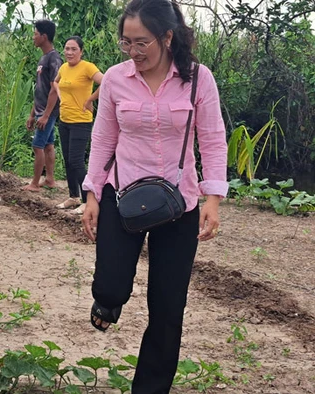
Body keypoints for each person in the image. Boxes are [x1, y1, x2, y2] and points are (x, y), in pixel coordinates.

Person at [80, 0, 227, 392]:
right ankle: (108, 301)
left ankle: (150, 387)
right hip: (122, 193)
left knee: (167, 306)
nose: (134, 51)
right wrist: (92, 192)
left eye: (142, 42)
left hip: (179, 202)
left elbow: (212, 139)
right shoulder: (114, 79)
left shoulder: (198, 79)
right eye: (126, 42)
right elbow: (104, 138)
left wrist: (212, 198)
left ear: (167, 36)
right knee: (110, 286)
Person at [52, 36, 104, 214]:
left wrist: (90, 99)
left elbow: (106, 82)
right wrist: (61, 98)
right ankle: (73, 196)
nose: (69, 52)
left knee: (76, 160)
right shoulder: (64, 67)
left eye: (74, 49)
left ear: (81, 51)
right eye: (67, 48)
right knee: (67, 159)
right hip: (64, 120)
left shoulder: (87, 67)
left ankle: (86, 200)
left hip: (81, 121)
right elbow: (55, 81)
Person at [22, 19, 63, 192]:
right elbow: (40, 90)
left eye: (35, 34)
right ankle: (50, 180)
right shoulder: (43, 58)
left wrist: (46, 115)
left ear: (44, 37)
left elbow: (55, 89)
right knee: (48, 145)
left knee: (37, 146)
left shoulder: (54, 59)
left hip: (47, 112)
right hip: (40, 110)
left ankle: (34, 183)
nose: (33, 37)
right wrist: (32, 113)